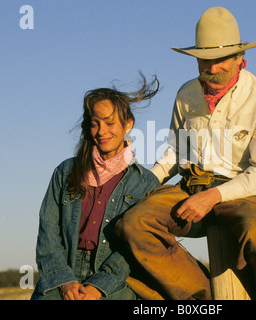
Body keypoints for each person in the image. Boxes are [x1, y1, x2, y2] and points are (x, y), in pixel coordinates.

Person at [115, 7, 256, 300]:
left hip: (240, 195)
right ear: (197, 59)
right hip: (189, 186)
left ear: (240, 59)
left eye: (221, 60)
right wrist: (142, 185)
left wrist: (214, 196)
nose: (212, 68)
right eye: (206, 60)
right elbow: (177, 152)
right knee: (133, 224)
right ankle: (201, 297)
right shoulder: (186, 94)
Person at [31, 75, 160, 300]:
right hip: (63, 274)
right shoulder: (65, 172)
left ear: (128, 123)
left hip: (114, 279)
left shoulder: (145, 183)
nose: (102, 131)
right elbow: (48, 233)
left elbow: (134, 248)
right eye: (95, 123)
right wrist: (64, 281)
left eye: (110, 123)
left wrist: (99, 286)